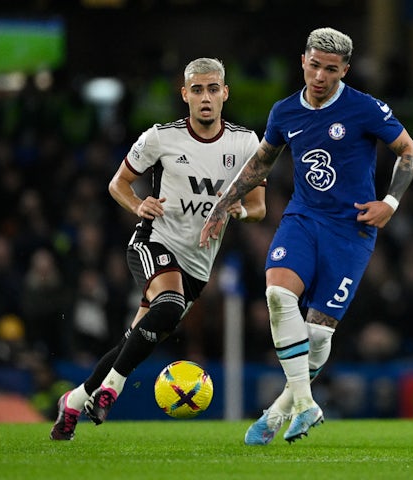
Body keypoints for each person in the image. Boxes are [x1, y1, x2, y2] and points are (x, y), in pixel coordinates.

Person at [200, 27, 413, 444]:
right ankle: (306, 402)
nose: (320, 76)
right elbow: (261, 162)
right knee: (278, 296)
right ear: (303, 60)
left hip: (351, 229)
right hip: (302, 218)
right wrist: (224, 202)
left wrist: (389, 203)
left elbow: (410, 152)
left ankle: (279, 410)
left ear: (345, 71)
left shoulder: (366, 109)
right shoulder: (285, 112)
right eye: (314, 65)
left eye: (330, 69)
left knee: (318, 334)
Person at [50, 57, 266, 440]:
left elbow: (259, 207)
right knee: (167, 305)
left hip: (198, 265)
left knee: (136, 337)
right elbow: (118, 184)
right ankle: (110, 390)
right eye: (197, 90)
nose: (205, 97)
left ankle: (75, 398)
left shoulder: (245, 142)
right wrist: (138, 205)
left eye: (213, 89)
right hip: (154, 241)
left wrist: (241, 210)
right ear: (184, 94)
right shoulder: (159, 137)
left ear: (225, 93)